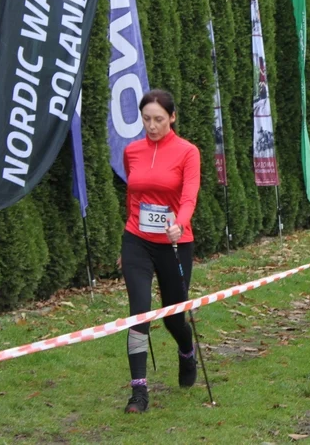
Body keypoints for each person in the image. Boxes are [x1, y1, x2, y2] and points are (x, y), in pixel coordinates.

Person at [118, 89, 201, 414]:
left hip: (175, 243)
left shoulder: (187, 152)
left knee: (172, 316)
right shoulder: (132, 150)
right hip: (137, 239)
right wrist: (126, 243)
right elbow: (133, 195)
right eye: (146, 119)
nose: (151, 126)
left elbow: (190, 193)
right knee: (139, 314)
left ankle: (186, 349)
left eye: (158, 120)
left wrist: (180, 223)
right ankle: (138, 392)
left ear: (172, 118)